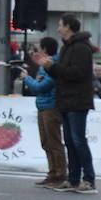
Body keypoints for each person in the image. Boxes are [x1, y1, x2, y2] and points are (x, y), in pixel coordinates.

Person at [34, 14, 97, 194]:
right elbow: (62, 74)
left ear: (68, 27)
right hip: (67, 99)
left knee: (78, 140)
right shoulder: (67, 48)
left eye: (61, 25)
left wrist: (51, 67)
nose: (58, 28)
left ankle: (89, 179)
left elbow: (76, 73)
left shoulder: (81, 48)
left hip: (77, 99)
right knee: (70, 141)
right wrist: (49, 67)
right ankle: (73, 178)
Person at [21, 37, 67, 189]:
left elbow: (41, 86)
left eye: (40, 48)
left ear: (45, 49)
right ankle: (52, 172)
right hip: (44, 104)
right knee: (46, 141)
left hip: (50, 105)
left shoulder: (51, 65)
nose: (38, 51)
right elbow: (40, 83)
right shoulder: (46, 65)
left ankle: (59, 173)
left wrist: (26, 79)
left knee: (53, 141)